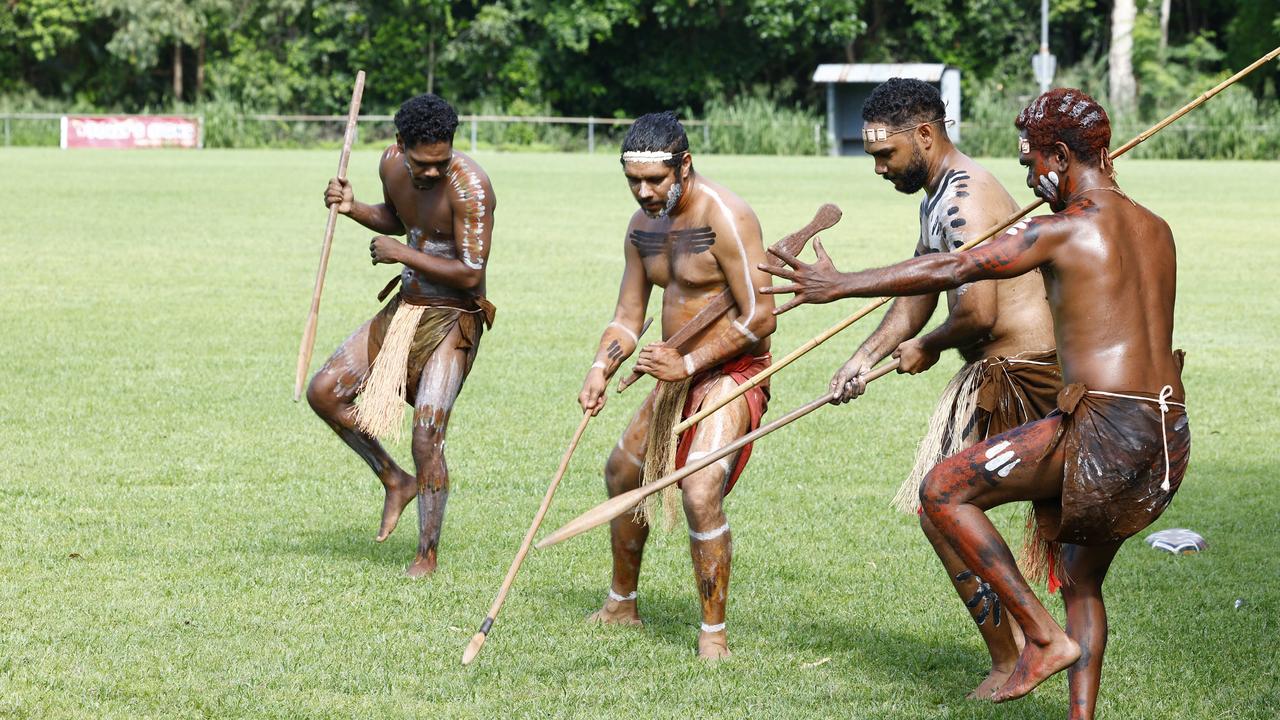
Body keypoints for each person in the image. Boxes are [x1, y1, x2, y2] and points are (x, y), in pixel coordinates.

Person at [762, 88, 1189, 718]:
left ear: (1063, 155)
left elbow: (954, 271)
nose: (1029, 177)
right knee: (1079, 578)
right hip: (1167, 429)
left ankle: (1040, 641)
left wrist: (843, 285)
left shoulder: (1062, 230)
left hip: (1105, 427)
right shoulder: (1157, 228)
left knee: (943, 489)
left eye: (1032, 163)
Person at [829, 78, 1060, 699]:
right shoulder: (935, 197)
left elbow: (978, 312)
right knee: (943, 511)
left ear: (925, 136)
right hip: (995, 374)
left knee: (945, 507)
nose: (879, 169)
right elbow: (919, 293)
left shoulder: (965, 197)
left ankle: (1025, 649)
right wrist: (863, 357)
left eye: (886, 155)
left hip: (1025, 379)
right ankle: (1013, 652)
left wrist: (928, 346)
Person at [578, 111, 776, 659]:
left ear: (684, 166)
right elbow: (627, 314)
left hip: (730, 373)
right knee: (622, 472)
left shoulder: (728, 217)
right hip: (673, 374)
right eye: (633, 182)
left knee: (699, 488)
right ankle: (621, 604)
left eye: (655, 180)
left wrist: (688, 367)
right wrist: (601, 366)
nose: (643, 192)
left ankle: (714, 634)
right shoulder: (643, 228)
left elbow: (760, 317)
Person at [307, 93, 496, 578]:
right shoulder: (390, 164)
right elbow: (402, 220)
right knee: (325, 393)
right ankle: (395, 479)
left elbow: (471, 273)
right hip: (404, 309)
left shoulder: (471, 186)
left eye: (442, 160)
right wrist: (353, 208)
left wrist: (402, 254)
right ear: (400, 146)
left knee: (427, 436)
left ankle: (426, 554)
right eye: (422, 162)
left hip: (453, 318)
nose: (433, 172)